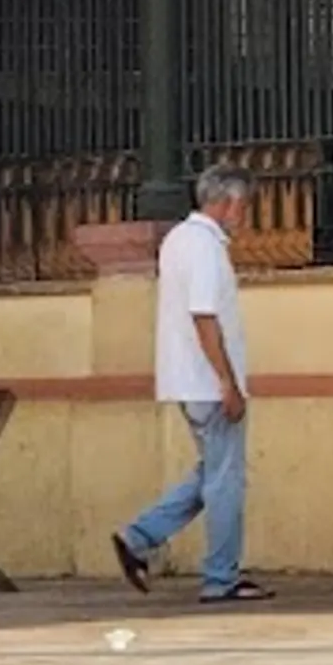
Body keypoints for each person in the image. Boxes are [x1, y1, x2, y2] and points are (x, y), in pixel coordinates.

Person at [110, 164, 271, 605]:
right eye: (243, 206)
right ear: (230, 202)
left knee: (212, 473)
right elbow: (204, 316)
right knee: (225, 481)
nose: (244, 215)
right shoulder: (204, 248)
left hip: (186, 379)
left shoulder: (178, 240)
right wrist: (228, 382)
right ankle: (221, 576)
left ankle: (140, 536)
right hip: (208, 382)